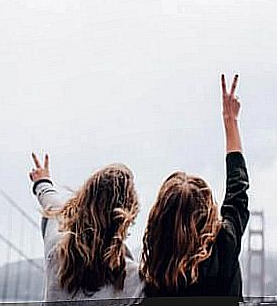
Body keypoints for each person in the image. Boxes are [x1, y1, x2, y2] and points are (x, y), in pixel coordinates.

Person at [139, 74, 250, 302]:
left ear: (160, 217)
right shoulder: (224, 244)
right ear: (208, 210)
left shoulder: (155, 265)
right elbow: (237, 192)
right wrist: (231, 122)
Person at [28, 152, 144, 304]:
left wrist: (42, 182)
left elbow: (52, 206)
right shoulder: (134, 280)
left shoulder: (56, 245)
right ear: (128, 215)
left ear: (81, 201)